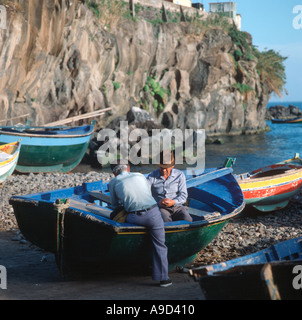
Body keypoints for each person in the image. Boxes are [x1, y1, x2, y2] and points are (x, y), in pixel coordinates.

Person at [108, 162, 172, 287]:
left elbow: (114, 205)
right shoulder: (140, 175)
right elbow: (147, 193)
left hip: (134, 217)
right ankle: (164, 279)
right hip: (153, 214)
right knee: (160, 245)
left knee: (115, 214)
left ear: (114, 173)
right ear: (128, 168)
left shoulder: (113, 182)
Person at [147, 151, 193, 223]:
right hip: (161, 208)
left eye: (166, 168)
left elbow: (183, 196)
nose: (164, 170)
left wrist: (173, 202)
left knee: (188, 220)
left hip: (178, 207)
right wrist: (158, 203)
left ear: (172, 166)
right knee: (165, 220)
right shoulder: (151, 177)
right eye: (162, 168)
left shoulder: (180, 175)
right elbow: (146, 196)